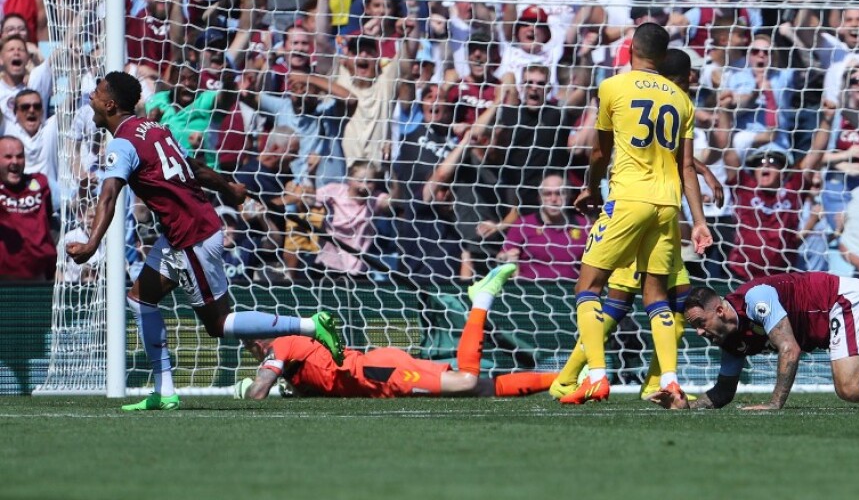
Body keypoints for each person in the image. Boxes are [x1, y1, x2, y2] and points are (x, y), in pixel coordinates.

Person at [65, 72, 345, 412]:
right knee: (141, 299)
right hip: (180, 234)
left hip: (191, 238)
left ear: (110, 104)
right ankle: (164, 390)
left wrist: (91, 245)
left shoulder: (122, 143)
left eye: (96, 93)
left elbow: (109, 196)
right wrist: (229, 188)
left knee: (219, 324)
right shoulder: (156, 129)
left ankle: (311, 325)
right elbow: (194, 168)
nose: (91, 98)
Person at [550, 48, 724, 402]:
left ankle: (644, 381)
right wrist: (700, 191)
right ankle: (571, 377)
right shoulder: (677, 101)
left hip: (636, 203)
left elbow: (661, 154)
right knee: (624, 301)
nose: (695, 80)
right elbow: (679, 161)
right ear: (684, 77)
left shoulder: (632, 91)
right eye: (692, 75)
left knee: (657, 301)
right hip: (661, 206)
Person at [649, 276, 859, 411]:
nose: (700, 333)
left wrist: (774, 403)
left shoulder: (756, 299)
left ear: (719, 310)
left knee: (849, 388)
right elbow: (723, 393)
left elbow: (790, 349)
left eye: (700, 324)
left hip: (845, 299)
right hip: (849, 303)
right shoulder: (731, 339)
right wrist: (687, 405)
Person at [237, 263, 557, 400]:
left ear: (257, 339)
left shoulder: (282, 345)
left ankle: (481, 298)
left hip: (382, 373)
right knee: (481, 389)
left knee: (467, 381)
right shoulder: (293, 358)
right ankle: (568, 378)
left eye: (248, 342)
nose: (249, 348)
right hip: (379, 370)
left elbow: (258, 393)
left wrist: (248, 387)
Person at [0, 135, 54, 282]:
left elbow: (48, 218)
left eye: (19, 156)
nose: (15, 162)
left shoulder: (40, 183)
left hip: (38, 278)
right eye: (8, 157)